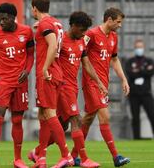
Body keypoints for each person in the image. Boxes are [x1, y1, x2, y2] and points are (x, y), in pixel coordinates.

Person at [28, 11, 107, 168]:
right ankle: (82, 159)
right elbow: (46, 45)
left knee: (62, 126)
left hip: (72, 87)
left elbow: (86, 64)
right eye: (82, 29)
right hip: (62, 86)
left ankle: (37, 152)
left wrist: (98, 82)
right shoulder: (60, 39)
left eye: (86, 30)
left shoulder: (80, 42)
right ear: (73, 26)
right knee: (76, 119)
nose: (84, 33)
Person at [0, 3, 34, 168]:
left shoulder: (26, 32)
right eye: (0, 18)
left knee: (17, 120)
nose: (1, 21)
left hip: (20, 82)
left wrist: (27, 70)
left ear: (13, 17)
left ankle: (17, 159)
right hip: (3, 82)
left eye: (4, 18)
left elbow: (31, 54)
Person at [77, 7, 130, 167]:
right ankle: (116, 157)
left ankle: (73, 155)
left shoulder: (113, 37)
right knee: (105, 116)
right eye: (118, 22)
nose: (120, 25)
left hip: (103, 84)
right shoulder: (91, 34)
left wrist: (123, 79)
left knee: (87, 118)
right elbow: (80, 53)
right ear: (109, 20)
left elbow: (114, 59)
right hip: (92, 83)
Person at [30, 0, 73, 168]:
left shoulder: (46, 24)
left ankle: (66, 155)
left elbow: (53, 45)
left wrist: (45, 68)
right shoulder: (54, 23)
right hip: (55, 72)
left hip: (48, 73)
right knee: (42, 114)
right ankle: (41, 158)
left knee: (49, 114)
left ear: (34, 8)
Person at [125, 39, 154, 139]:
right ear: (135, 48)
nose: (139, 49)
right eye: (137, 47)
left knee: (152, 115)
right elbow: (130, 73)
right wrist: (144, 70)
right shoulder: (130, 61)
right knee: (135, 118)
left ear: (143, 48)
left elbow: (151, 73)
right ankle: (136, 138)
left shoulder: (149, 60)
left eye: (140, 47)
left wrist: (138, 71)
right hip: (134, 94)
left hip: (146, 93)